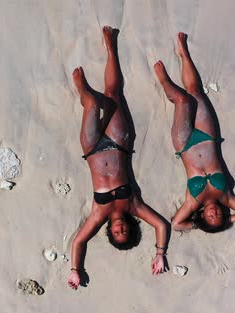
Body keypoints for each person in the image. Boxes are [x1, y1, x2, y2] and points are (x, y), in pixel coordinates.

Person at [68, 26, 169, 290]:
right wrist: (160, 253)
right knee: (114, 95)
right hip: (118, 143)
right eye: (125, 233)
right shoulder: (134, 206)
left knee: (92, 105)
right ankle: (110, 45)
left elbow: (79, 242)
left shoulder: (99, 213)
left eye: (116, 234)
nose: (120, 230)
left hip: (92, 148)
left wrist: (75, 270)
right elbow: (161, 224)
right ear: (131, 228)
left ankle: (84, 92)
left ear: (110, 232)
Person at [153, 32, 235, 233]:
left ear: (203, 216)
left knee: (182, 101)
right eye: (219, 216)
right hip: (208, 138)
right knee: (194, 92)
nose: (215, 213)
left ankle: (164, 81)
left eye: (210, 217)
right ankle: (183, 53)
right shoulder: (226, 197)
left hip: (184, 143)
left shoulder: (193, 202)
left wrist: (196, 226)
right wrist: (229, 221)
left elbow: (176, 224)